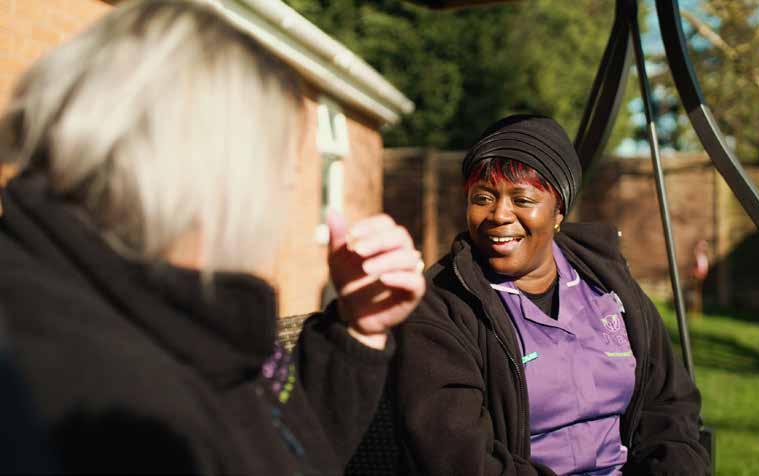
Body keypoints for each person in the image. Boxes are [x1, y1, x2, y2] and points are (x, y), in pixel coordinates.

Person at [0, 0, 424, 473]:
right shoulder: (91, 397)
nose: (279, 214)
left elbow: (272, 444)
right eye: (281, 180)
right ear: (204, 181)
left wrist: (357, 330)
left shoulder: (158, 308)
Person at [391, 115, 709, 475]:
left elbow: (670, 404)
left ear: (559, 211)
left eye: (522, 199)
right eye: (483, 197)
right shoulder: (442, 307)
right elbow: (457, 455)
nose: (499, 214)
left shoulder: (608, 283)